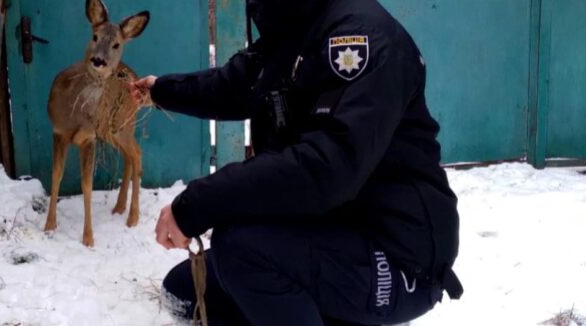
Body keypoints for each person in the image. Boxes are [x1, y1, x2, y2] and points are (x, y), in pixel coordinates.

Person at [129, 0, 462, 325]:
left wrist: (195, 205)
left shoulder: (362, 39)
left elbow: (325, 169)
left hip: (397, 255)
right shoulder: (296, 24)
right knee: (185, 290)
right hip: (333, 227)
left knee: (240, 248)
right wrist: (161, 91)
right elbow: (234, 86)